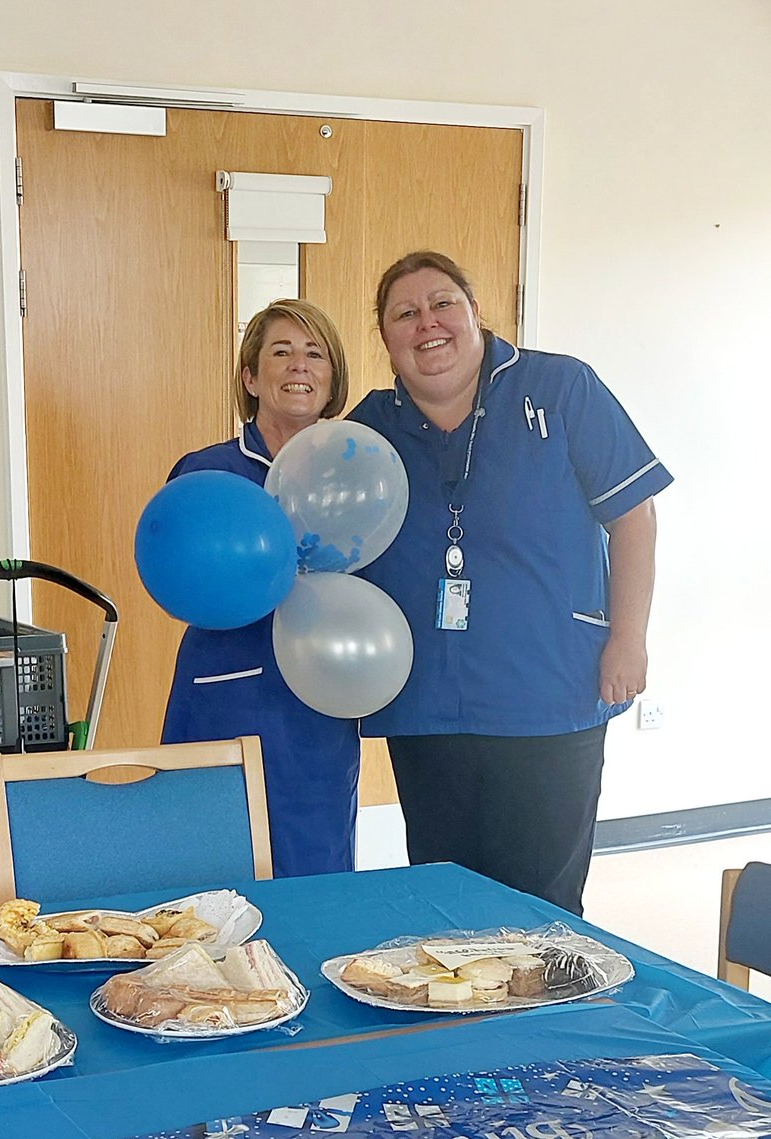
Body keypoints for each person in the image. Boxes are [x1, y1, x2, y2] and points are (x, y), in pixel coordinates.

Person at [348, 251, 673, 914]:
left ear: (474, 313)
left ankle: (547, 1013)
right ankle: (462, 1019)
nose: (426, 323)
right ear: (385, 339)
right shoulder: (369, 429)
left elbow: (633, 518)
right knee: (445, 897)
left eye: (442, 304)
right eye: (404, 314)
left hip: (548, 689)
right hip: (427, 701)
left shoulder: (561, 389)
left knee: (543, 903)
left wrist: (627, 639)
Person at [161, 299, 361, 878]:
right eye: (281, 352)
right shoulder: (208, 472)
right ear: (251, 377)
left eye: (314, 353)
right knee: (213, 863)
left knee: (317, 860)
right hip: (224, 692)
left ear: (331, 380)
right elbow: (187, 577)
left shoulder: (351, 476)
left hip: (320, 701)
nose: (299, 365)